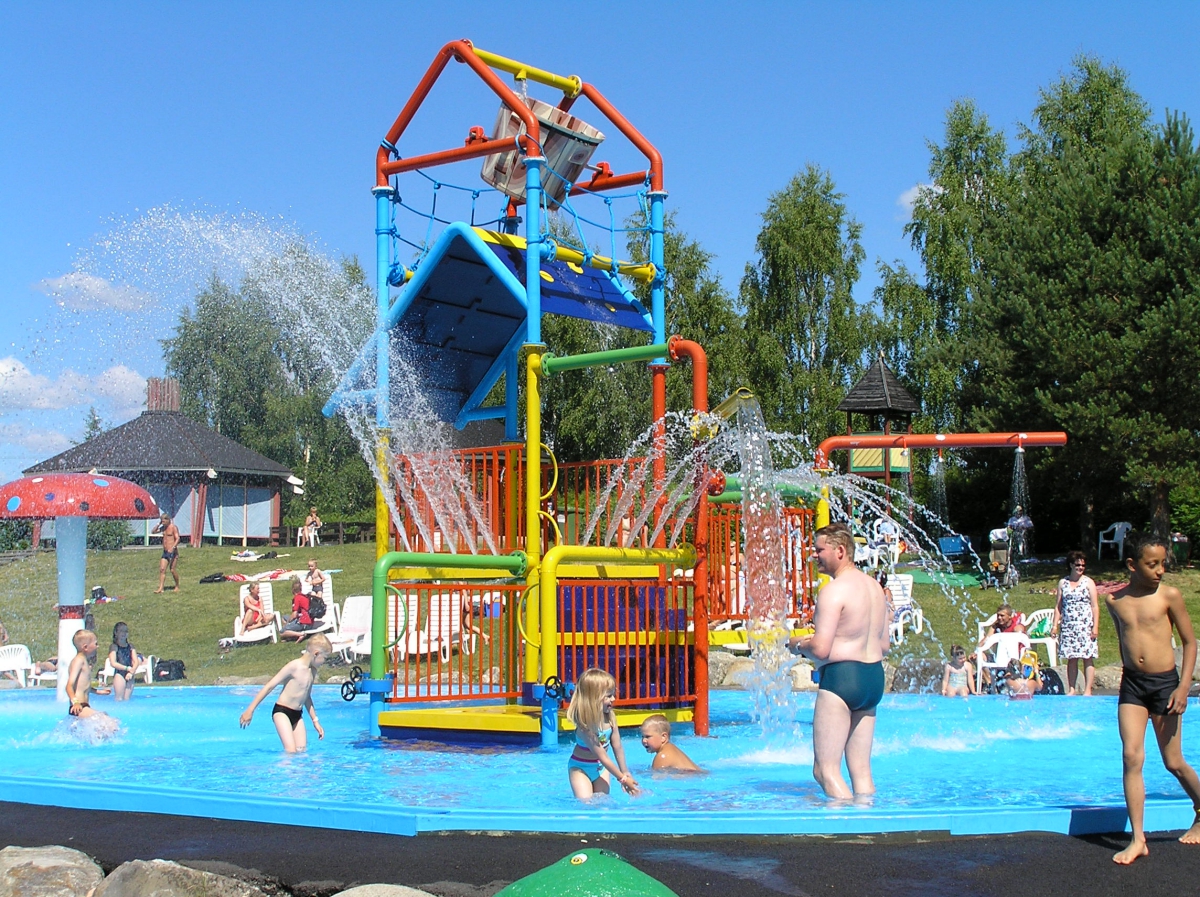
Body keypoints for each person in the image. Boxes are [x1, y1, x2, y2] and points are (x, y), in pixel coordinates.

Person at [1106, 532, 1200, 864]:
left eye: (1163, 563)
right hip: (1133, 685)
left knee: (1173, 762)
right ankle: (1138, 839)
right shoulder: (1114, 601)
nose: (1160, 570)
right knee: (1131, 756)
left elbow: (1190, 642)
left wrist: (1183, 687)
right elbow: (1124, 640)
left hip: (1165, 686)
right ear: (1132, 565)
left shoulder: (1169, 596)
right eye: (1153, 564)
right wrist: (1128, 671)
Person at [788, 522, 890, 799]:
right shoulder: (875, 589)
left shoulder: (834, 590)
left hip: (842, 678)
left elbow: (820, 649)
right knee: (862, 771)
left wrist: (797, 645)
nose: (815, 555)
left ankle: (843, 832)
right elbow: (884, 644)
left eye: (820, 550)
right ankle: (869, 827)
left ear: (840, 550)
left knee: (825, 770)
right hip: (872, 679)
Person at [239, 634, 331, 752]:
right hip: (282, 711)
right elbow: (269, 686)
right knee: (291, 751)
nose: (324, 662)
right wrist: (250, 710)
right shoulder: (294, 666)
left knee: (301, 751)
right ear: (316, 654)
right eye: (325, 658)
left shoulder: (312, 671)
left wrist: (315, 721)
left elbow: (307, 697)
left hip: (297, 715)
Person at [565, 667, 639, 799]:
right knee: (586, 805)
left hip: (600, 768)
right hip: (580, 768)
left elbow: (617, 747)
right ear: (594, 698)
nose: (614, 699)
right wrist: (622, 779)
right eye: (609, 696)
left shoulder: (610, 717)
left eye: (613, 694)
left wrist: (625, 771)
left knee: (602, 804)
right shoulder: (585, 726)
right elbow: (603, 756)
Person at [1051, 550, 1100, 696]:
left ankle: (1088, 690)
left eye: (1083, 565)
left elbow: (1095, 606)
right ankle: (1071, 689)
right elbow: (1058, 606)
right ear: (1071, 565)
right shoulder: (1063, 583)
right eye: (1078, 565)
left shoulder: (1088, 582)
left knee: (1087, 657)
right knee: (1071, 658)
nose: (1080, 568)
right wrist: (1055, 625)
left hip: (1085, 625)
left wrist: (1095, 626)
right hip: (1068, 625)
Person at [107, 622, 143, 701]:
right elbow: (113, 663)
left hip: (130, 674)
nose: (124, 633)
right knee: (119, 699)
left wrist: (131, 672)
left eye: (126, 631)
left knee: (127, 699)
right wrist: (127, 668)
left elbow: (136, 662)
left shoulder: (131, 647)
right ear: (116, 633)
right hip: (119, 674)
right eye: (121, 631)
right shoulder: (114, 646)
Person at [279, 577, 317, 641]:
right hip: (310, 621)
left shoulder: (297, 598)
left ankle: (300, 634)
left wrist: (288, 623)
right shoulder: (305, 596)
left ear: (293, 590)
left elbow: (294, 614)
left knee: (281, 632)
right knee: (284, 617)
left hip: (304, 623)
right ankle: (292, 635)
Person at [153, 513, 181, 593]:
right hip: (165, 552)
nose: (163, 523)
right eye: (162, 521)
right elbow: (153, 531)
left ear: (168, 520)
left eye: (164, 521)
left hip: (172, 552)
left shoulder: (173, 527)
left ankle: (177, 585)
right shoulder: (163, 528)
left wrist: (173, 547)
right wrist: (158, 524)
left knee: (172, 570)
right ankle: (161, 588)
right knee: (162, 569)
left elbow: (177, 538)